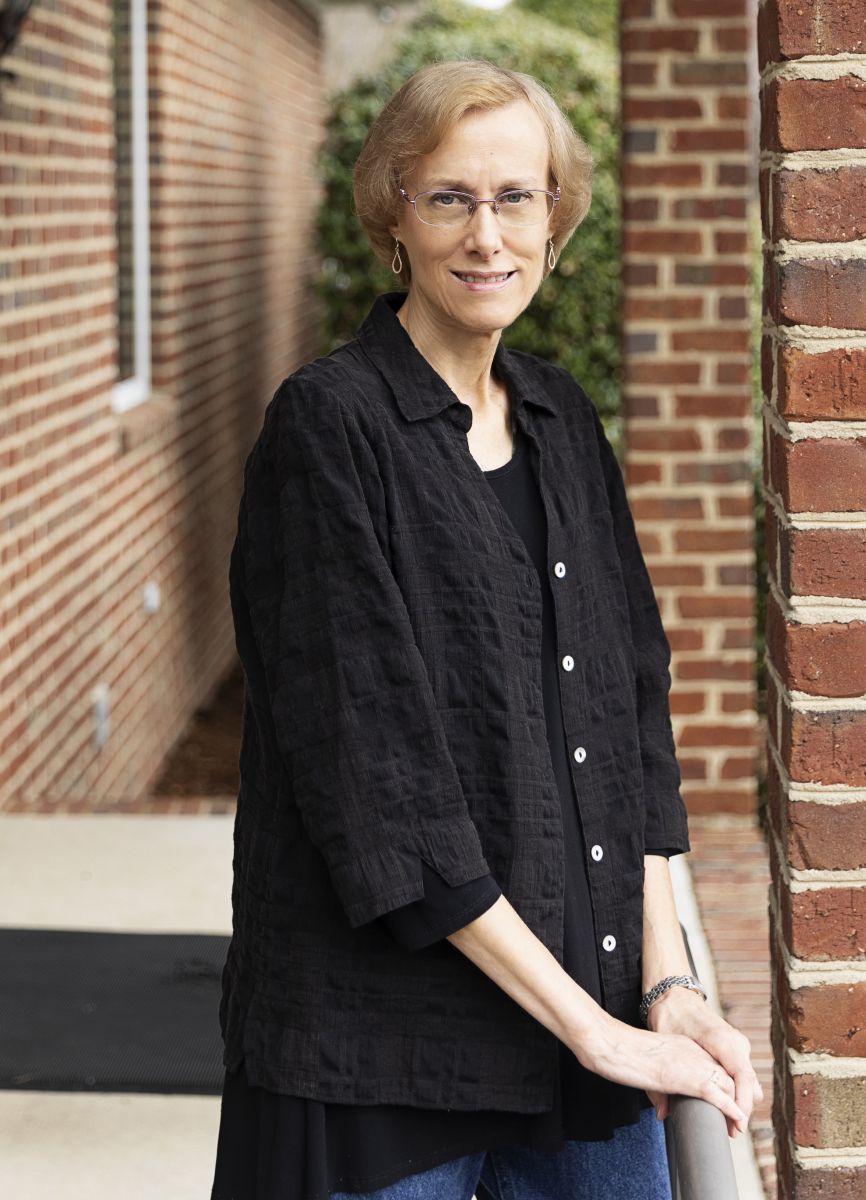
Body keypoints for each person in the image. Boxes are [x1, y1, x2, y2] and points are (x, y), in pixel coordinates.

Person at [211, 58, 761, 1200]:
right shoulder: (329, 430)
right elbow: (380, 788)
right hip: (381, 1050)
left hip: (584, 1038)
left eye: (516, 197)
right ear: (394, 213)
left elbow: (630, 726)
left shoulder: (563, 420)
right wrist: (599, 1034)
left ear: (556, 217)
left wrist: (665, 990)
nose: (487, 235)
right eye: (450, 198)